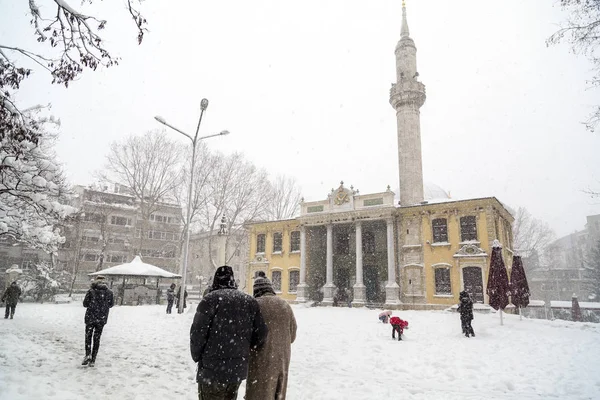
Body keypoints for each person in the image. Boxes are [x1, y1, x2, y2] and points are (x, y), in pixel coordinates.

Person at [190, 266, 268, 400]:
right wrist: (244, 349)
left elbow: (198, 333)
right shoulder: (249, 301)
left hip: (212, 369)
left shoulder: (209, 300)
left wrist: (197, 355)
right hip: (237, 369)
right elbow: (261, 333)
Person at [246, 274, 297, 400]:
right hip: (282, 358)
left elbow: (247, 335)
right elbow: (293, 334)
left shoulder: (254, 305)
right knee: (278, 392)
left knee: (259, 392)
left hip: (260, 357)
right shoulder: (285, 305)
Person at [82, 276, 114, 367]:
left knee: (88, 336)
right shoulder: (109, 292)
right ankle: (93, 359)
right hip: (101, 319)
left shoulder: (91, 291)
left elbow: (85, 304)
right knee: (97, 338)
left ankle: (87, 354)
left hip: (90, 318)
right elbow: (111, 305)